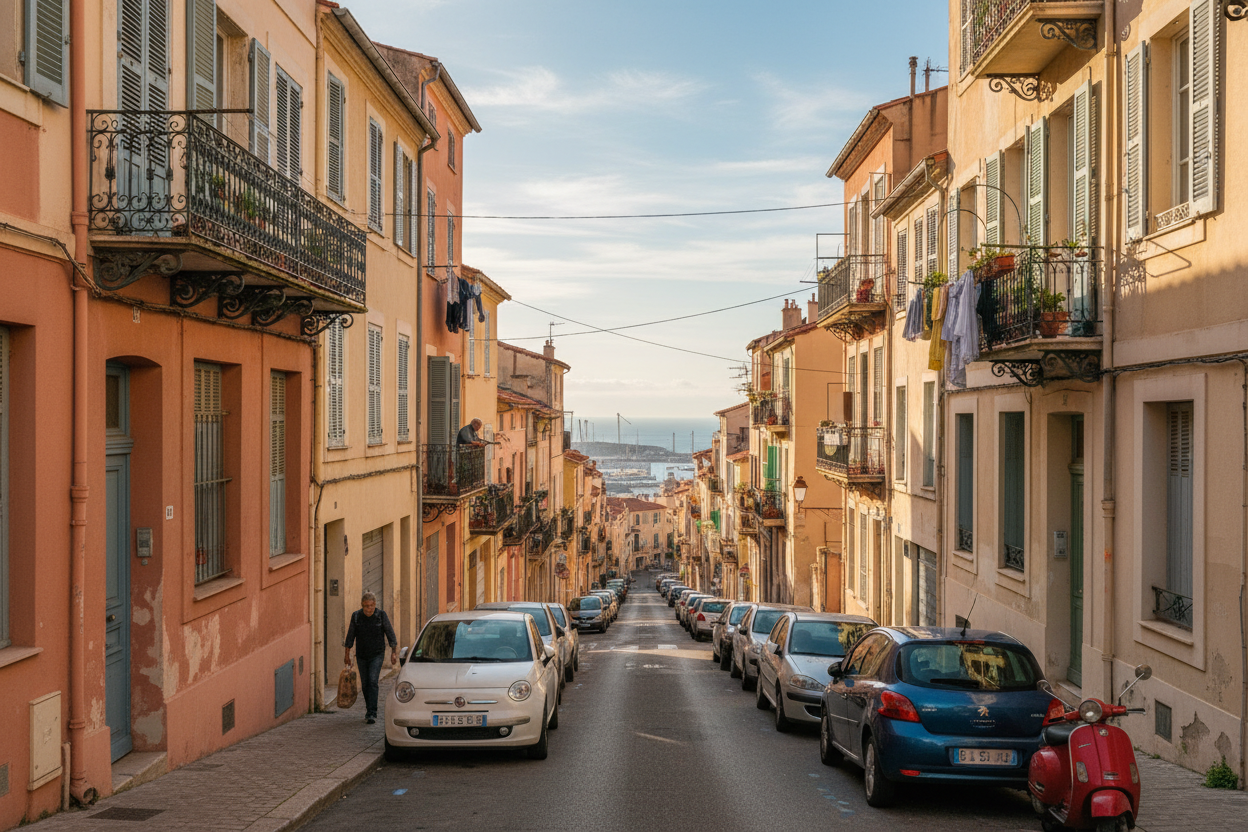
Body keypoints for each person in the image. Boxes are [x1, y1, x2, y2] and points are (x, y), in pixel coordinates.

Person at [343, 592, 398, 724]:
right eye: (366, 606)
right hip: (362, 655)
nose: (369, 609)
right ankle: (369, 708)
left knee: (373, 681)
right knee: (365, 684)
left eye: (372, 606)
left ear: (375, 605)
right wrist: (347, 654)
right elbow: (350, 635)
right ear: (362, 606)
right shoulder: (356, 617)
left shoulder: (381, 615)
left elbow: (390, 633)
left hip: (377, 654)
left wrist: (393, 652)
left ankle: (372, 712)